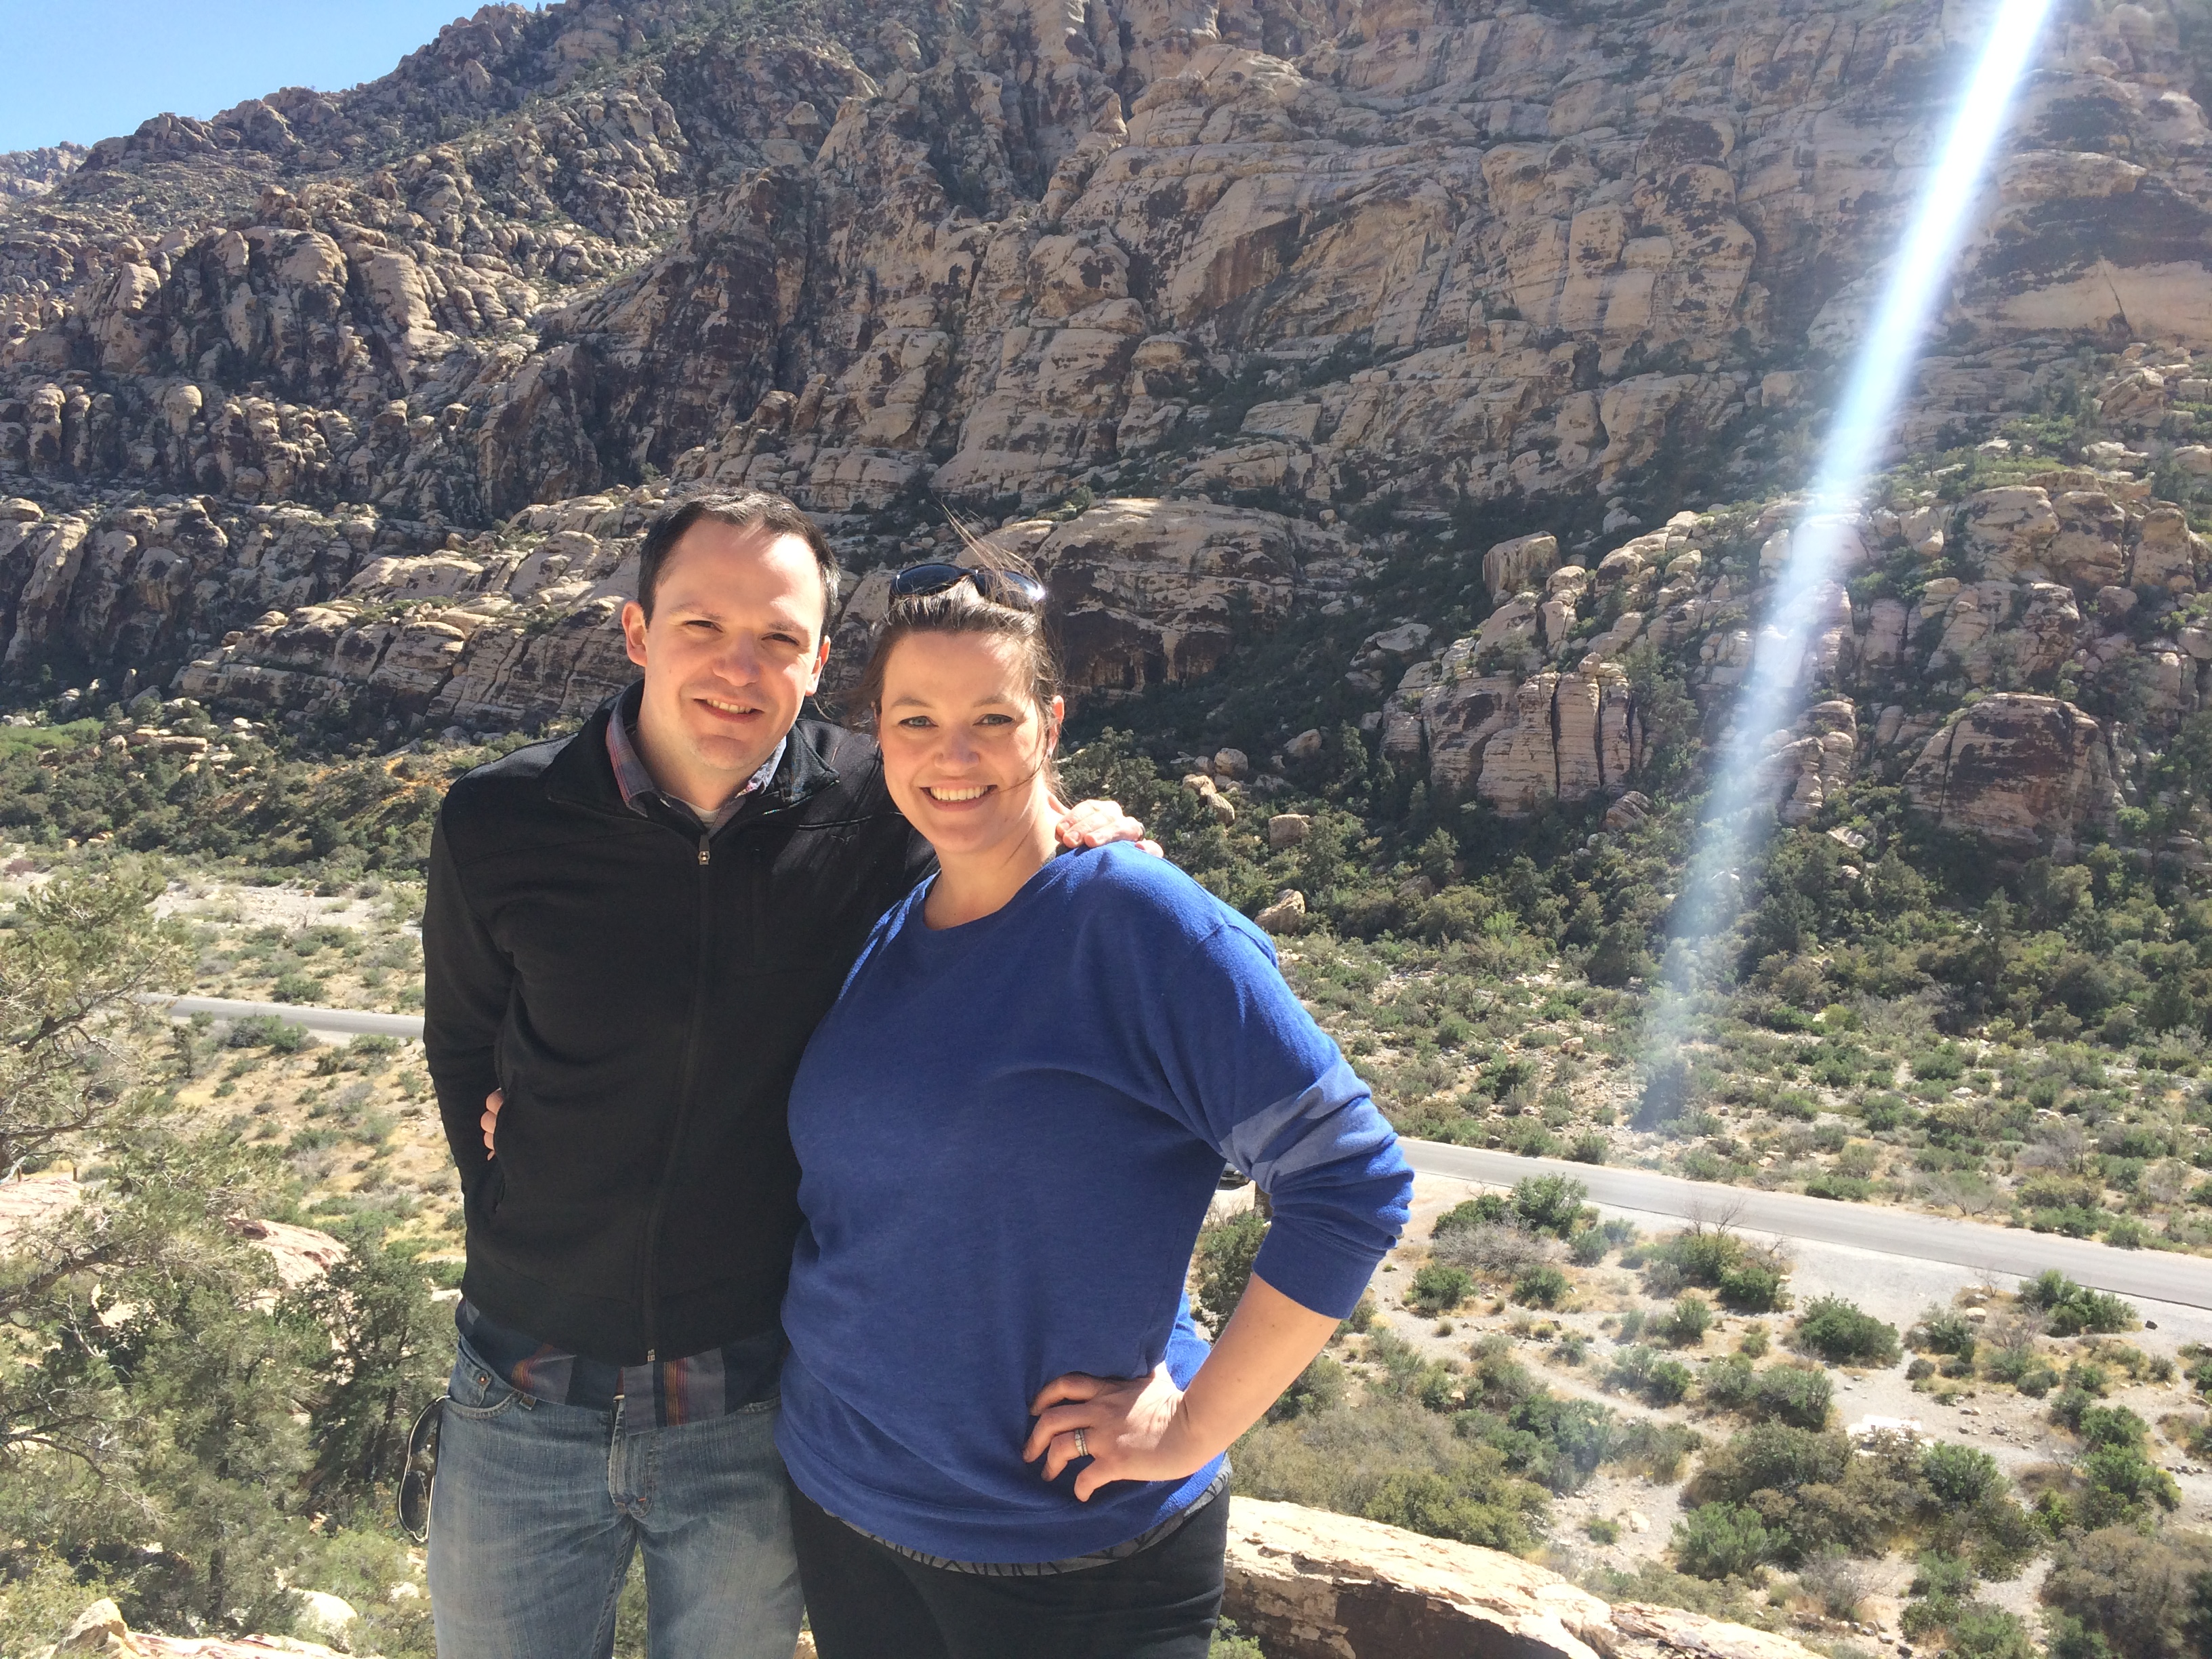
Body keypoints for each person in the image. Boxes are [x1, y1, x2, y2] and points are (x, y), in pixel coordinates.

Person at [423, 493, 1148, 1659]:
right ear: (636, 632)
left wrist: (1084, 837)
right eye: (702, 626)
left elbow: (1020, 915)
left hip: (755, 1413)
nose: (736, 668)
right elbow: (463, 1046)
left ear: (819, 660)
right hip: (520, 1393)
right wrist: (512, 1206)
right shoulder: (502, 821)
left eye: (776, 639)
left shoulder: (881, 808)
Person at [774, 558, 1415, 1659]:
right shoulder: (884, 929)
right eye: (915, 718)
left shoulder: (1135, 920)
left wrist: (1196, 1422)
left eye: (992, 717)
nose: (952, 754)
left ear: (1051, 725)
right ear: (876, 731)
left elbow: (1351, 1182)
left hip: (1068, 1558)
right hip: (842, 1508)